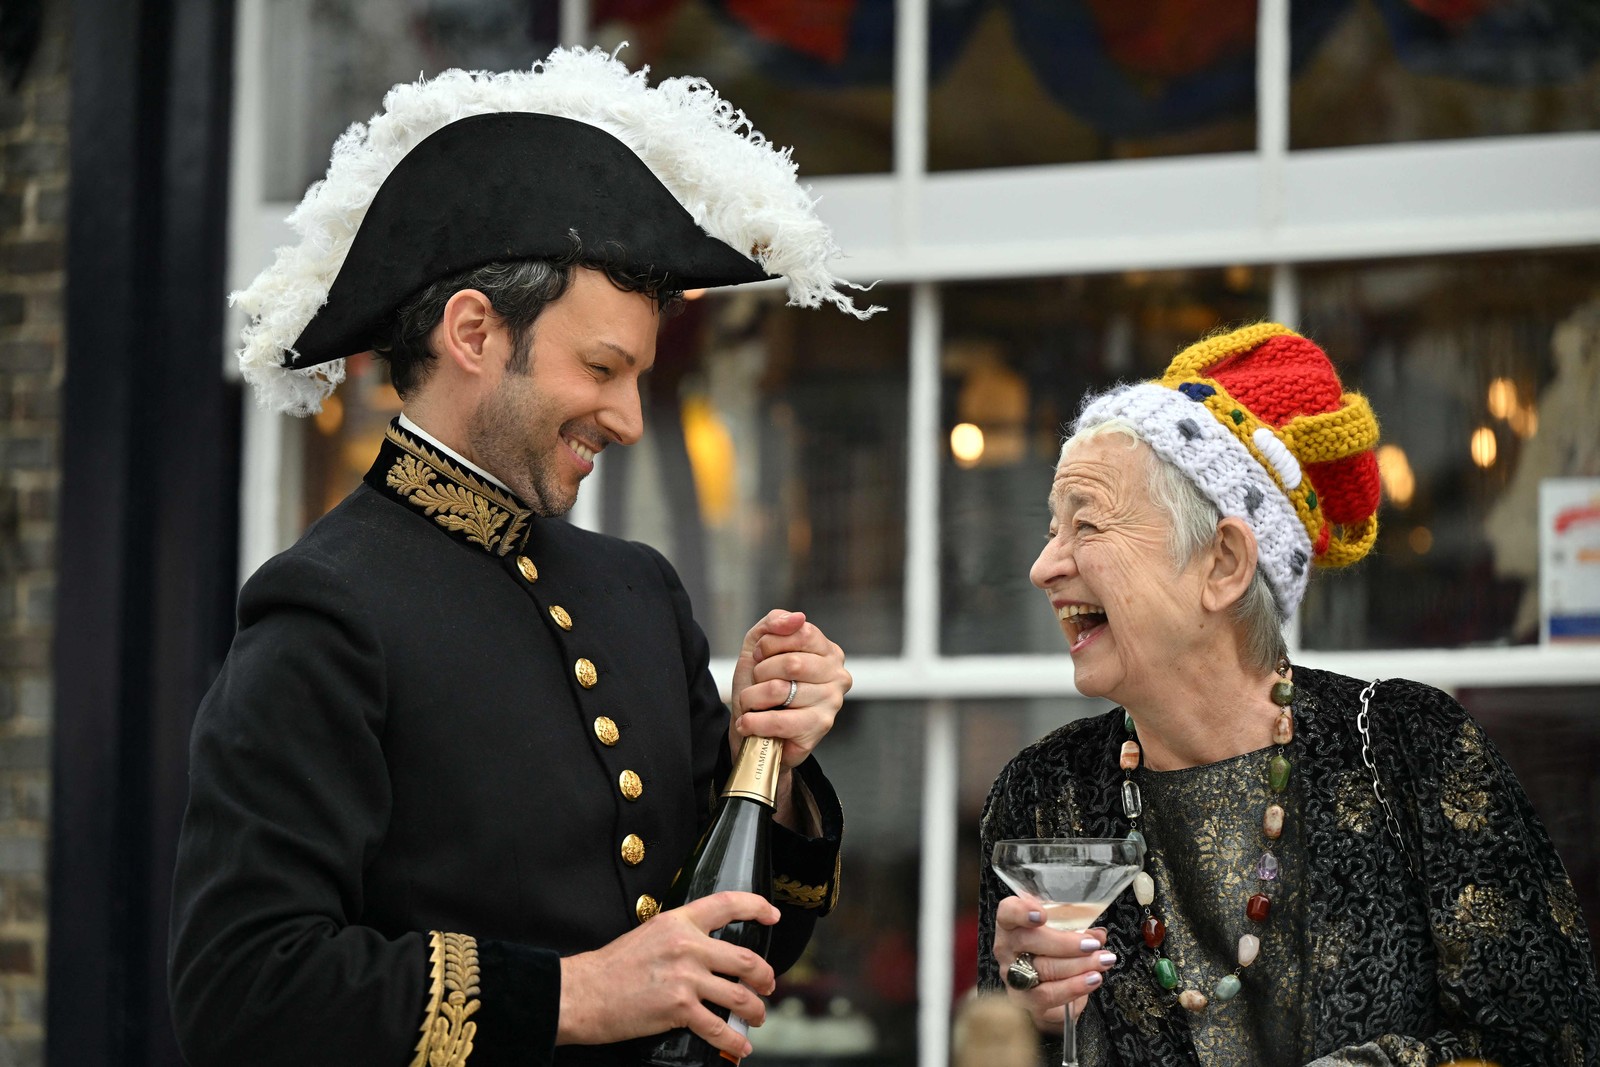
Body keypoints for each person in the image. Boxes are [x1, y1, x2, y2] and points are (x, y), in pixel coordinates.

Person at [169, 48, 879, 1067]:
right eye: (601, 367)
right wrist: (576, 993)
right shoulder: (326, 607)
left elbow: (734, 948)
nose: (629, 417)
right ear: (472, 333)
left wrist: (769, 759)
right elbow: (242, 990)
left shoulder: (638, 588)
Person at [977, 323, 1600, 1065]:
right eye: (1052, 529)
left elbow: (1555, 1041)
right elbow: (1010, 1030)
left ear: (1224, 563)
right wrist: (1030, 1016)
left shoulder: (1405, 751)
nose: (1045, 566)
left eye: (1086, 524)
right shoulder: (1044, 793)